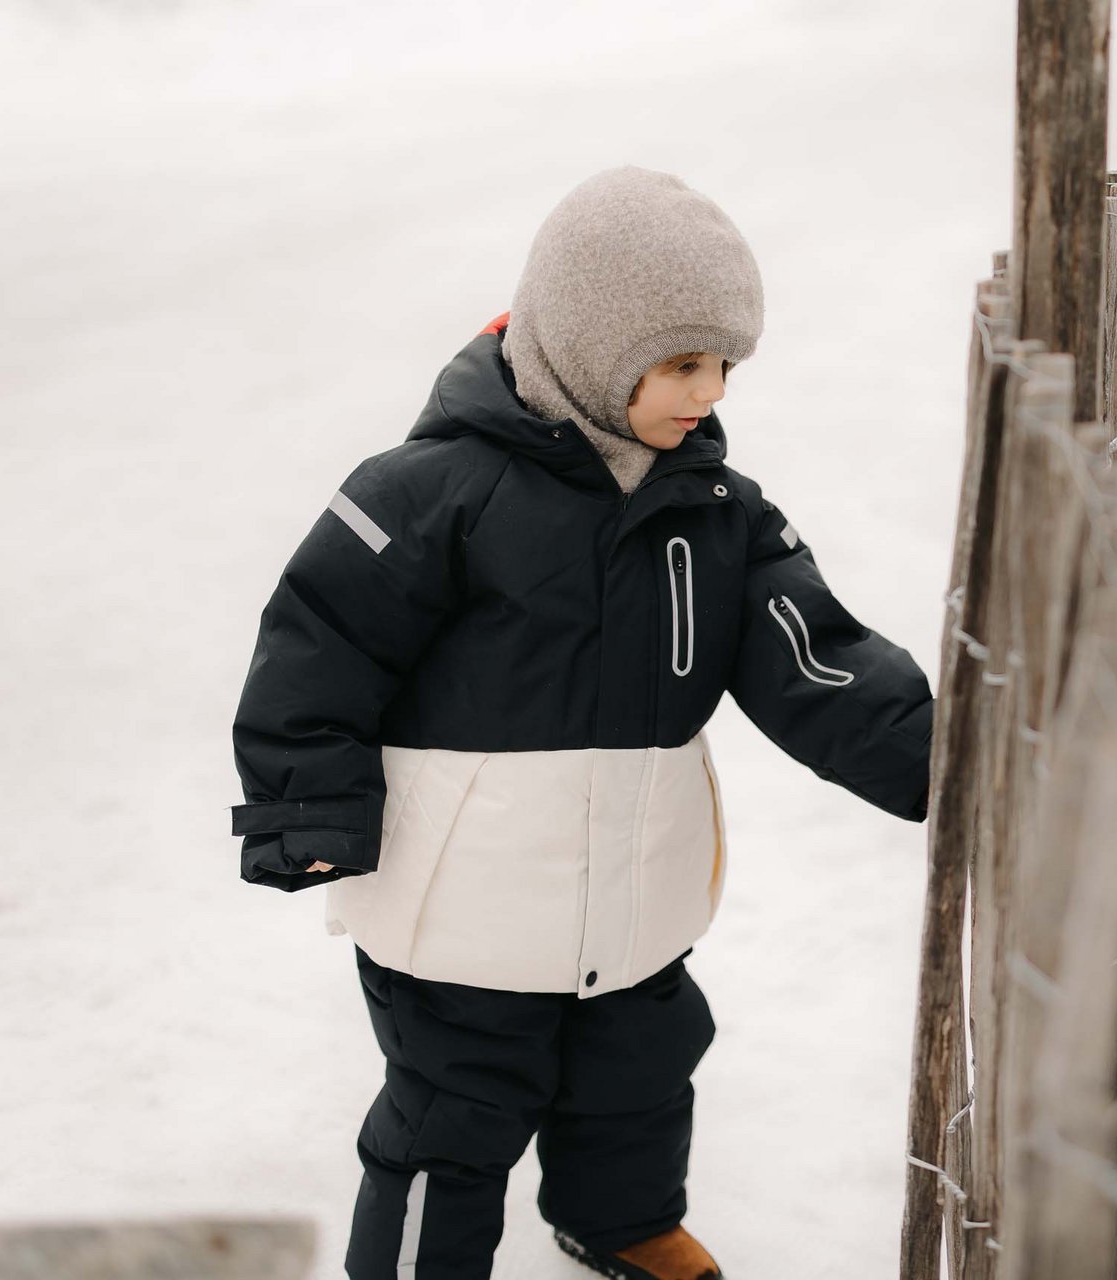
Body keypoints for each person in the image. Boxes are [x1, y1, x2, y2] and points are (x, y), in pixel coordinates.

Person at [230, 167, 934, 1280]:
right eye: (681, 363)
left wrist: (950, 761)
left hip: (634, 890)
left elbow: (819, 657)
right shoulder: (429, 492)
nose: (707, 391)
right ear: (594, 346)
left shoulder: (717, 511)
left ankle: (623, 1217)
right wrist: (306, 804)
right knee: (449, 1117)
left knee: (639, 1074)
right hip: (464, 904)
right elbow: (319, 641)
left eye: (725, 366)